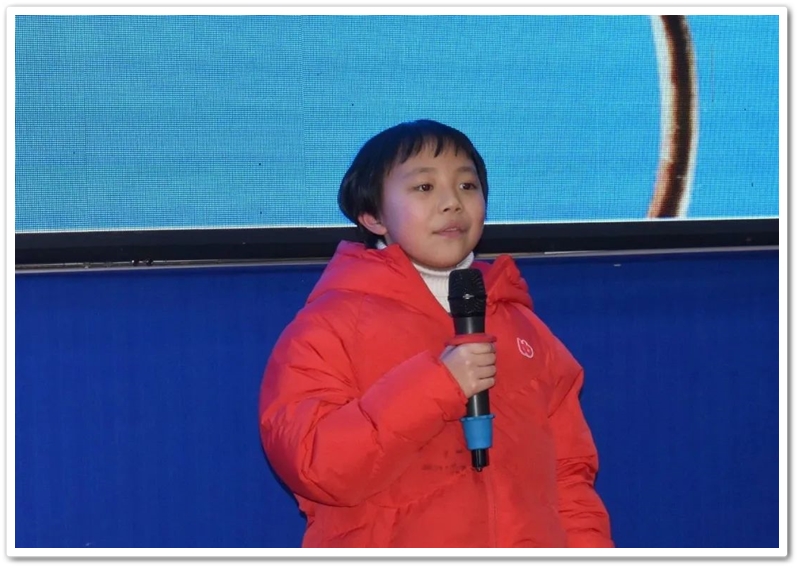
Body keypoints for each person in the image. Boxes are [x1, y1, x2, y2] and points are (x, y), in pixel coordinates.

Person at [258, 119, 614, 548]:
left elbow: (570, 477)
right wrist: (437, 385)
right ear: (373, 216)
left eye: (467, 186)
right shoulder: (328, 328)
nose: (452, 203)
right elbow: (316, 466)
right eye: (424, 187)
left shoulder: (526, 330)